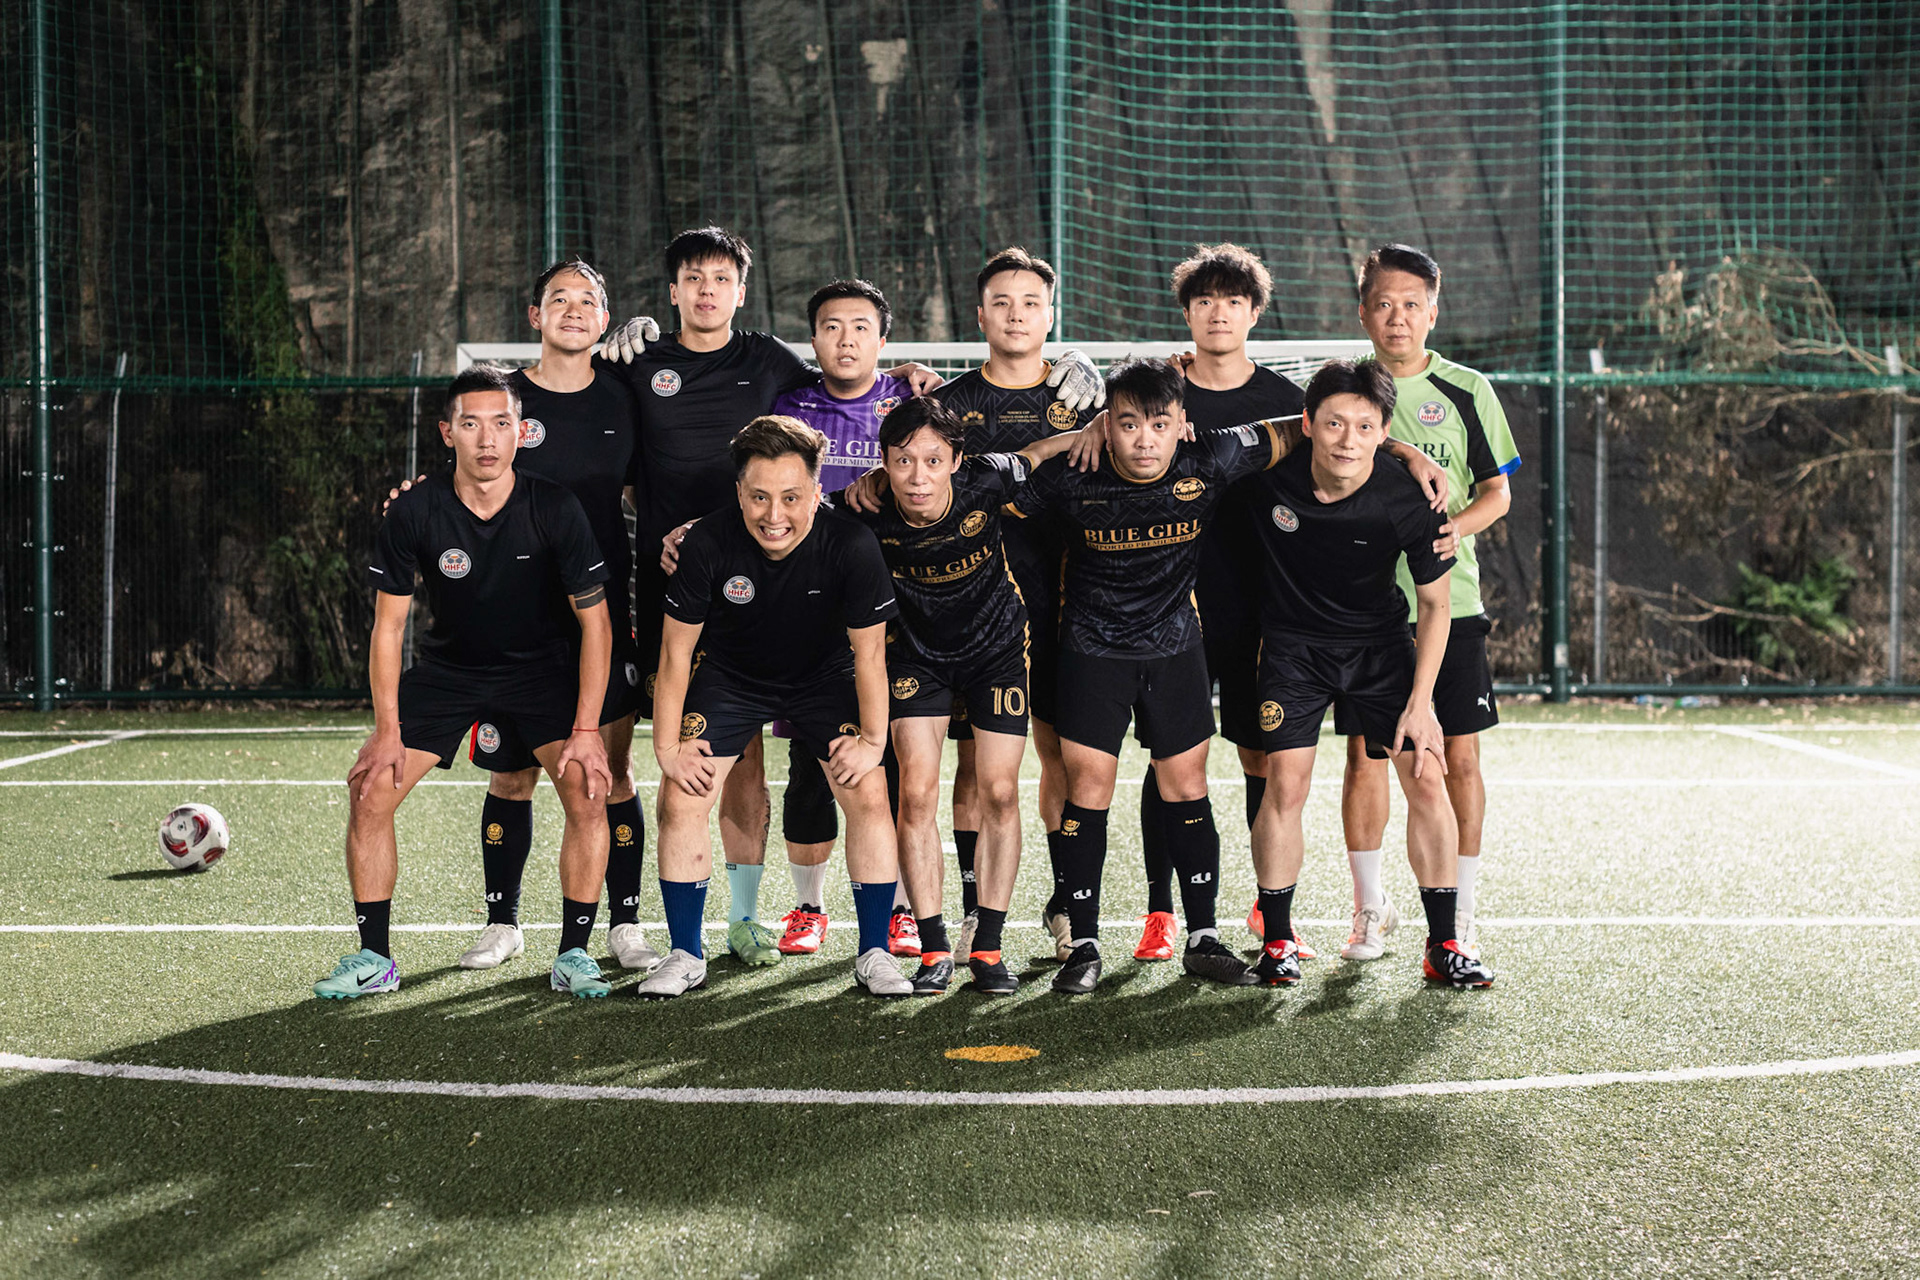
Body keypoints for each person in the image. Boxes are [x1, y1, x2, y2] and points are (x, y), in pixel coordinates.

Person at [316, 365, 615, 1000]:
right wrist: (386, 731)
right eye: (471, 424)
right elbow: (389, 628)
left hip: (541, 674)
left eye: (501, 424)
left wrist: (587, 730)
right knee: (370, 792)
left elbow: (597, 627)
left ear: (522, 432)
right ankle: (375, 958)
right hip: (450, 672)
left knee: (589, 791)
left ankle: (574, 954)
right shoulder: (415, 511)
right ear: (447, 432)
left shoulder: (554, 507)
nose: (487, 439)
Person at [1008, 358, 1295, 993]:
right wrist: (1068, 437)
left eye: (1159, 424)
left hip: (1174, 649)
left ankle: (1202, 938)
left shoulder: (1212, 459)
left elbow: (1302, 428)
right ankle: (1083, 943)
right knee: (1089, 788)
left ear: (1181, 425)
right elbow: (1012, 470)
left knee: (1188, 786)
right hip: (1091, 649)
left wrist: (1409, 454)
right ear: (1108, 425)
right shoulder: (1072, 472)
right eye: (1129, 423)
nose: (1144, 439)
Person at [1242, 358, 1495, 989]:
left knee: (1427, 776)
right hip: (1293, 648)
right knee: (1286, 786)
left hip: (1380, 647)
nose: (1346, 439)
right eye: (1333, 423)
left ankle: (1444, 943)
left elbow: (1435, 605)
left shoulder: (1410, 496)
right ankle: (1278, 940)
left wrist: (1421, 702)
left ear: (1383, 432)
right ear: (1308, 423)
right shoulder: (1267, 474)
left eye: (1364, 426)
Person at [640, 416, 908, 999]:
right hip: (732, 679)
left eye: (791, 497)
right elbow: (675, 653)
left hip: (824, 677)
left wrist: (872, 743)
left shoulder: (851, 545)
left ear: (817, 491)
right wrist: (666, 750)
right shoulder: (707, 542)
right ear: (738, 492)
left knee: (869, 790)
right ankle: (686, 952)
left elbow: (869, 659)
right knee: (681, 794)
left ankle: (875, 953)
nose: (773, 515)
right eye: (758, 497)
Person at [450, 259, 658, 976]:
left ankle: (624, 927)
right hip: (511, 622)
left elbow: (650, 488)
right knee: (511, 776)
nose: (574, 309)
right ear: (534, 317)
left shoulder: (624, 397)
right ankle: (501, 923)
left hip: (602, 615)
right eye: (558, 300)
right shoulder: (503, 402)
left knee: (613, 772)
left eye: (589, 301)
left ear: (604, 320)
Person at [837, 397, 1082, 994]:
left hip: (997, 650)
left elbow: (1040, 451)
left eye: (931, 460)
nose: (917, 477)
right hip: (916, 657)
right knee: (915, 793)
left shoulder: (986, 480)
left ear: (955, 460)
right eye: (902, 462)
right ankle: (933, 948)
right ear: (883, 463)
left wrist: (1098, 427)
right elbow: (789, 518)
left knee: (999, 791)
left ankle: (990, 948)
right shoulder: (863, 514)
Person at [1331, 244, 1519, 962]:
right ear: (1363, 311)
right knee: (1366, 759)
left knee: (1459, 762)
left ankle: (1459, 916)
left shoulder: (1470, 390)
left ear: (1434, 312)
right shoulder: (1347, 394)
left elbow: (1497, 493)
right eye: (1384, 302)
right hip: (1364, 607)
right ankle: (1368, 912)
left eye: (1412, 303)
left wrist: (1445, 533)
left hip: (1450, 602)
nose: (1397, 316)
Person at [932, 247, 1102, 964]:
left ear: (1051, 314)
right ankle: (978, 910)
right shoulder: (948, 404)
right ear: (979, 315)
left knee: (1061, 760)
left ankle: (1065, 907)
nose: (1015, 314)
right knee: (976, 771)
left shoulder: (1090, 400)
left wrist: (1105, 385)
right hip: (975, 614)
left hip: (1068, 604)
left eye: (1030, 303)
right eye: (1001, 302)